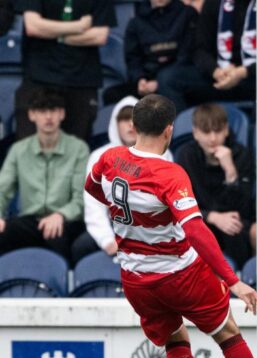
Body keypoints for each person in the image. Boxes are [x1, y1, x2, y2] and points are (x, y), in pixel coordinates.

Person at [84, 94, 257, 358]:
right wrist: (233, 281)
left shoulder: (109, 158)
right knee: (228, 335)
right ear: (169, 131)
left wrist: (131, 218)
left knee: (175, 340)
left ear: (133, 127)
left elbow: (93, 189)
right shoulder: (169, 173)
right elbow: (197, 230)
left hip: (136, 279)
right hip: (180, 273)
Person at [73, 96, 175, 262]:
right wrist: (106, 240)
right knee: (80, 247)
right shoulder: (100, 156)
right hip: (111, 225)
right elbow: (93, 204)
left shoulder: (162, 154)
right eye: (125, 119)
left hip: (150, 226)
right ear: (115, 123)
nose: (130, 125)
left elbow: (167, 201)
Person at [0, 89, 88, 263]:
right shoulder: (19, 150)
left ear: (62, 114)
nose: (48, 117)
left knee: (55, 236)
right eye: (42, 111)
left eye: (53, 111)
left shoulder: (78, 149)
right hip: (31, 221)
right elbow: (3, 188)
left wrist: (61, 215)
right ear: (32, 115)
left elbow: (82, 197)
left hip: (66, 220)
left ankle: (64, 284)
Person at [15, 0, 115, 141]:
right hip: (38, 77)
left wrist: (54, 33)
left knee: (77, 150)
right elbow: (33, 27)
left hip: (81, 81)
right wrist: (79, 27)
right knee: (28, 148)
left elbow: (99, 36)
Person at [175, 103, 255, 267]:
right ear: (196, 133)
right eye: (206, 132)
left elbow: (244, 206)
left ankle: (242, 280)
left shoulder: (241, 155)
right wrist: (213, 217)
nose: (212, 138)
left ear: (226, 130)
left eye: (217, 131)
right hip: (201, 220)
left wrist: (230, 172)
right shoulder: (186, 156)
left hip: (235, 221)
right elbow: (180, 203)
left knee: (235, 226)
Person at [159, 0, 256, 111]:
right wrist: (215, 71)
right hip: (218, 77)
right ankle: (184, 127)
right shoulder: (213, 3)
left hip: (253, 78)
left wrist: (242, 72)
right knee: (168, 79)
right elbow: (200, 49)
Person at [103, 0, 199, 105]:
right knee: (112, 94)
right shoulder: (136, 22)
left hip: (179, 77)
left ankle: (177, 121)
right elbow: (133, 59)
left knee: (167, 81)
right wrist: (140, 79)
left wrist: (159, 82)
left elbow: (187, 54)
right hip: (148, 78)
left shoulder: (188, 14)